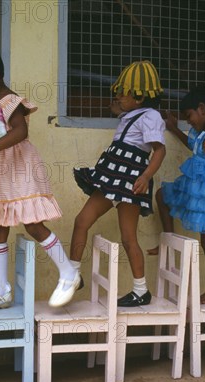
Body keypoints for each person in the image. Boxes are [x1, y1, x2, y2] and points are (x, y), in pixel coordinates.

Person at [0, 44, 79, 312]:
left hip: (19, 168)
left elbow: (21, 132)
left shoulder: (10, 101)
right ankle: (1, 291)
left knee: (34, 224)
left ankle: (69, 273)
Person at [71, 60, 167, 307]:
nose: (118, 96)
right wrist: (119, 105)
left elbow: (158, 150)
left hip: (130, 177)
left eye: (123, 93)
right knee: (82, 221)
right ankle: (72, 274)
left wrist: (145, 177)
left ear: (139, 97)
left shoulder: (152, 116)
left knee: (128, 237)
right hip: (113, 172)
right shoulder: (130, 113)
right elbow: (119, 110)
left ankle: (140, 290)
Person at [148, 86, 205, 304]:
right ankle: (168, 240)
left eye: (190, 117)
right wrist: (173, 127)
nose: (190, 123)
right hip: (193, 186)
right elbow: (193, 145)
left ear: (202, 109)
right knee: (162, 195)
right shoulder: (201, 133)